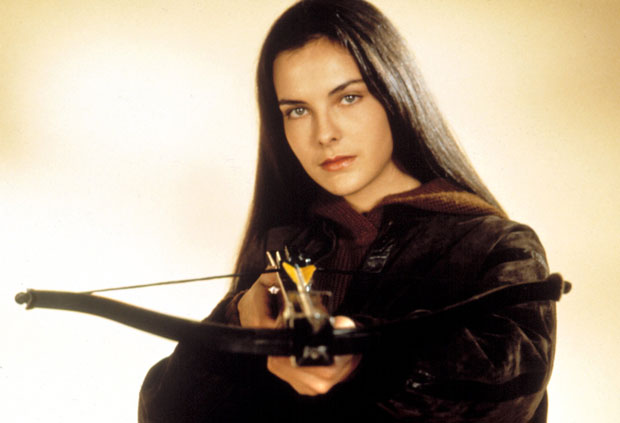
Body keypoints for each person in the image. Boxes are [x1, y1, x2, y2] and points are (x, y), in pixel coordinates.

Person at [138, 0, 556, 421]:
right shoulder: (282, 246)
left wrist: (365, 357)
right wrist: (235, 322)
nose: (324, 133)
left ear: (394, 95)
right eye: (297, 110)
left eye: (349, 97)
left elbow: (511, 387)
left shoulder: (497, 244)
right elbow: (165, 411)